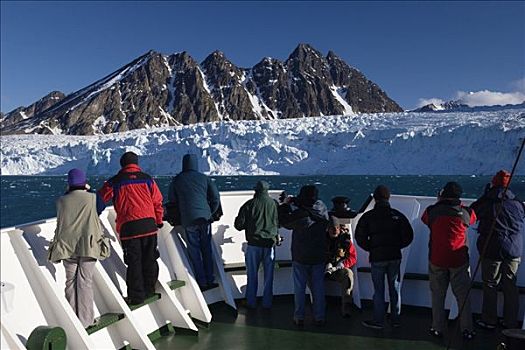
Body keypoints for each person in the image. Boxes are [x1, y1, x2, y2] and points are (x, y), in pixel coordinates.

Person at [98, 152, 164, 305]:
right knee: (150, 258)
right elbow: (157, 202)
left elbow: (100, 200)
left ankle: (136, 297)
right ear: (136, 163)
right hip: (149, 225)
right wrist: (158, 221)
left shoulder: (115, 181)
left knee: (134, 262)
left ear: (122, 164)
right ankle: (150, 289)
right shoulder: (147, 179)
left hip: (129, 228)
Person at [48, 168, 109, 327]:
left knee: (70, 282)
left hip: (67, 247)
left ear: (69, 183)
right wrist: (91, 190)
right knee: (85, 282)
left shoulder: (61, 200)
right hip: (88, 246)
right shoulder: (92, 198)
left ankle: (74, 320)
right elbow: (100, 207)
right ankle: (86, 320)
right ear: (84, 182)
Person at [421, 181, 476, 340]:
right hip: (459, 260)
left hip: (437, 258)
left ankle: (437, 327)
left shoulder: (432, 211)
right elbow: (472, 218)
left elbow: (425, 219)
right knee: (462, 296)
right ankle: (467, 330)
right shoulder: (465, 212)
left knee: (438, 295)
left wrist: (439, 203)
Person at [471, 170, 525, 330]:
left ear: (493, 183)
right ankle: (510, 322)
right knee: (510, 284)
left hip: (492, 248)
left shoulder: (488, 201)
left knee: (490, 283)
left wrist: (485, 194)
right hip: (514, 249)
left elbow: (473, 212)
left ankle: (489, 320)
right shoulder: (517, 202)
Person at [355, 185, 414, 330]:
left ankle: (378, 320)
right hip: (394, 256)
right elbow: (408, 236)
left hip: (377, 258)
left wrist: (371, 248)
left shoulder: (368, 217)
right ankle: (395, 319)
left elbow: (359, 237)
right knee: (394, 288)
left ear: (375, 199)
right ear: (388, 198)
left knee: (378, 290)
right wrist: (397, 246)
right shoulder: (397, 215)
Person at [166, 154, 221, 291]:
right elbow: (215, 198)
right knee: (206, 249)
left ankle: (201, 282)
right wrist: (210, 212)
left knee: (194, 250)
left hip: (188, 220)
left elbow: (172, 200)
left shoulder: (177, 180)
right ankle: (210, 279)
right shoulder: (204, 178)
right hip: (205, 219)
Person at [279, 185, 329, 327]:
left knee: (300, 288)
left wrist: (285, 205)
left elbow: (284, 222)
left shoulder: (301, 215)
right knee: (318, 287)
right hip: (319, 255)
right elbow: (309, 205)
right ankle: (320, 316)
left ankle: (299, 317)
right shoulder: (323, 209)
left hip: (301, 256)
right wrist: (295, 200)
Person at [234, 180, 279, 309]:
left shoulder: (249, 205)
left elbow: (238, 225)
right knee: (269, 276)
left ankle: (251, 301)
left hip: (254, 244)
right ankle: (267, 303)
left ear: (256, 190)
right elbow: (278, 222)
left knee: (252, 274)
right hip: (270, 245)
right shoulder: (274, 204)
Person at [325, 218, 357, 317]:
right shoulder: (321, 239)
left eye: (337, 228)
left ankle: (346, 307)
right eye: (332, 228)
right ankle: (318, 305)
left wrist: (342, 265)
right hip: (322, 268)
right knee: (310, 275)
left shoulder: (345, 241)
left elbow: (353, 257)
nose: (334, 230)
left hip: (337, 269)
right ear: (327, 229)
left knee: (348, 274)